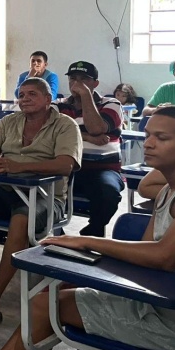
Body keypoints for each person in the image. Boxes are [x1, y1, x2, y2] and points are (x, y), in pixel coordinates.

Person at [0, 105, 175, 350]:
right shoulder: (168, 190)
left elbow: (164, 257)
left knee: (45, 307)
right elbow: (146, 253)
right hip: (156, 300)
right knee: (44, 302)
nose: (149, 143)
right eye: (148, 135)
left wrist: (86, 242)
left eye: (161, 138)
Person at [0, 77, 82, 335]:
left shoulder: (65, 125)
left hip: (45, 196)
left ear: (49, 99)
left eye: (32, 94)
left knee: (21, 221)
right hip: (4, 190)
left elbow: (65, 165)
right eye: (22, 94)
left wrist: (17, 166)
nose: (24, 99)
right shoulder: (8, 122)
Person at [56, 61, 124, 237]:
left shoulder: (111, 103)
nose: (77, 84)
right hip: (66, 167)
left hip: (102, 169)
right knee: (40, 189)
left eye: (84, 79)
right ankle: (58, 234)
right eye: (73, 79)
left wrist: (86, 95)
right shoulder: (59, 105)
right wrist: (86, 137)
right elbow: (50, 134)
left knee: (108, 193)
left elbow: (96, 128)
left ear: (95, 83)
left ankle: (92, 232)